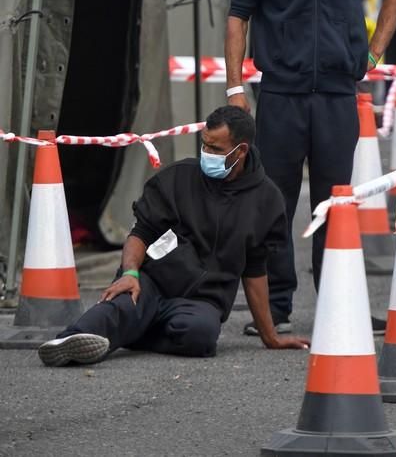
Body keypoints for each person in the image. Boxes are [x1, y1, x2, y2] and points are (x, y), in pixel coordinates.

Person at [225, 0, 396, 335]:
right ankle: (277, 306)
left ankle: (340, 302)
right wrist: (235, 85)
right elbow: (237, 17)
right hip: (281, 95)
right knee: (276, 202)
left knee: (337, 201)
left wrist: (371, 57)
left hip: (335, 95)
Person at [38, 106, 308, 366]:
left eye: (216, 149)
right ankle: (66, 342)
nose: (206, 154)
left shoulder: (267, 200)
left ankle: (133, 333)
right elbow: (141, 232)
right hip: (152, 282)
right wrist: (130, 274)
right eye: (204, 145)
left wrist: (270, 336)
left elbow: (255, 270)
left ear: (242, 151)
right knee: (120, 305)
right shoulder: (178, 177)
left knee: (200, 337)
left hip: (204, 302)